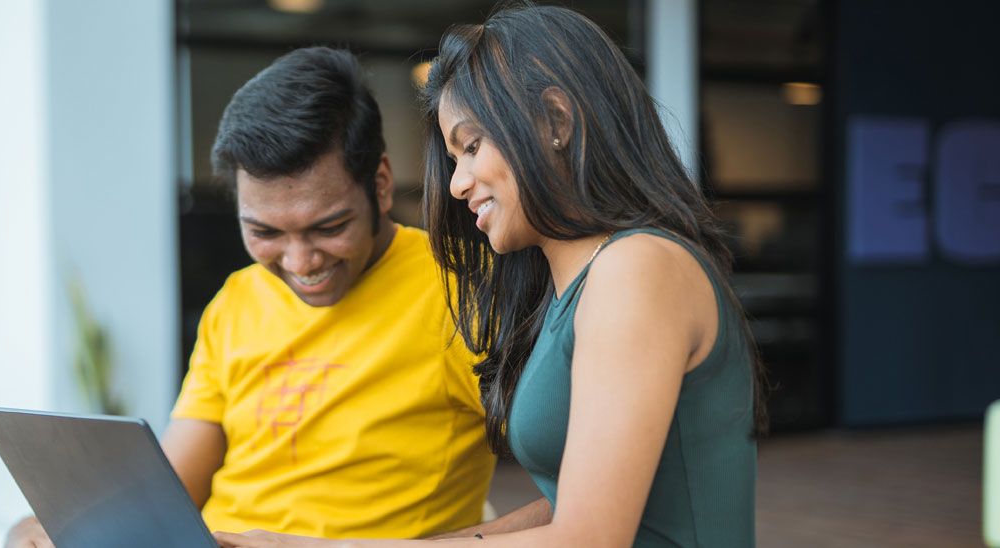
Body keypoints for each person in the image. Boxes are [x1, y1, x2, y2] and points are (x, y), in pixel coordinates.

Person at [215, 4, 765, 547]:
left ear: (556, 121)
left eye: (472, 147)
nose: (457, 184)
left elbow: (589, 537)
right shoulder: (574, 289)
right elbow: (575, 504)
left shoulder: (637, 267)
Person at [6, 47, 502, 547]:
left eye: (328, 227)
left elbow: (567, 510)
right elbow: (174, 490)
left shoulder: (465, 291)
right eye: (265, 232)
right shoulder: (238, 301)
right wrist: (63, 526)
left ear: (380, 185)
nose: (300, 261)